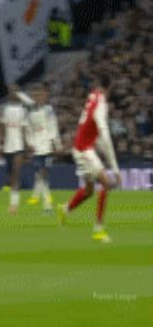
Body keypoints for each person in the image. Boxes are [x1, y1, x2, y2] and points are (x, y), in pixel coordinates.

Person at [57, 75, 122, 243]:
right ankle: (98, 230)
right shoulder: (101, 103)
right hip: (83, 149)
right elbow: (105, 136)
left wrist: (94, 142)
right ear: (110, 87)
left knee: (89, 191)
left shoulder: (93, 96)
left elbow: (86, 124)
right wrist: (115, 169)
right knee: (106, 183)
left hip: (82, 147)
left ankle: (65, 209)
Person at [23, 86, 62, 212]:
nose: (39, 98)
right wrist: (29, 143)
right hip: (37, 148)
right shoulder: (30, 113)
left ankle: (40, 199)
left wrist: (57, 145)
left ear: (45, 97)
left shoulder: (49, 110)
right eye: (36, 95)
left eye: (41, 95)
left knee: (43, 176)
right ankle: (47, 205)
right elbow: (28, 130)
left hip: (48, 147)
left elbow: (54, 127)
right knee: (40, 176)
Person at [0, 85, 28, 214]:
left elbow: (24, 128)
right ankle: (14, 200)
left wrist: (26, 146)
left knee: (16, 174)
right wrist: (1, 143)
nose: (12, 93)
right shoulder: (5, 109)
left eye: (14, 91)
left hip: (18, 146)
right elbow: (3, 127)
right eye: (10, 91)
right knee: (11, 176)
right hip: (8, 146)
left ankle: (14, 205)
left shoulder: (22, 110)